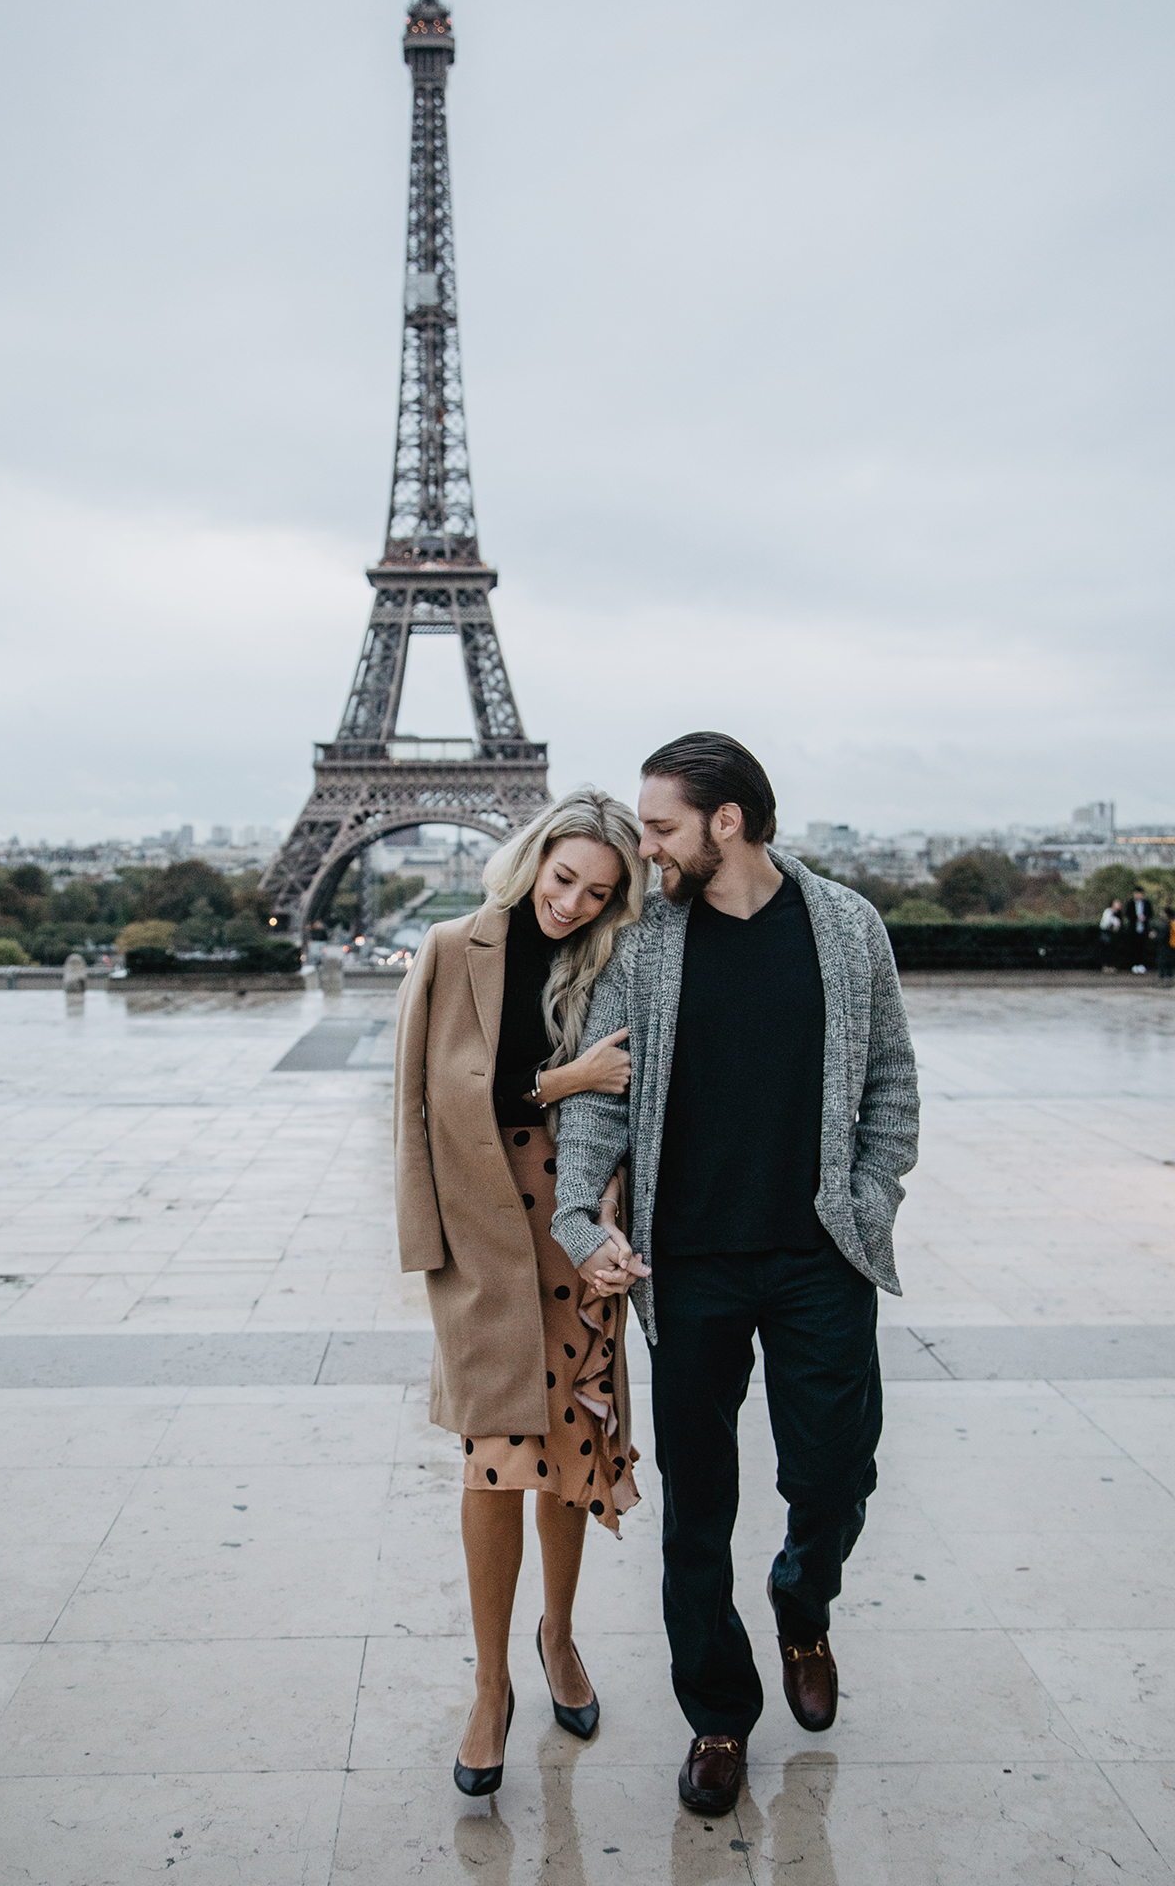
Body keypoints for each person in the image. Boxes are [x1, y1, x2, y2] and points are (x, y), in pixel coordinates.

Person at [552, 732, 920, 1818]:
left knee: (834, 1472)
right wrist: (583, 1225)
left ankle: (800, 1600)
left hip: (818, 1256)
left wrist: (867, 1197)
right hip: (690, 1264)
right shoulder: (646, 943)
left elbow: (890, 1079)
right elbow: (600, 1097)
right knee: (696, 1507)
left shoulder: (845, 925)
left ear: (727, 821)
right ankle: (717, 1714)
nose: (643, 845)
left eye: (659, 826)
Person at [394, 788, 648, 1798]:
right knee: (494, 1456)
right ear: (532, 857)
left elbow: (633, 1100)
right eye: (563, 878)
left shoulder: (611, 964)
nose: (574, 904)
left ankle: (560, 1636)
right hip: (487, 1222)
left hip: (575, 1220)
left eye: (598, 892)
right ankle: (490, 1684)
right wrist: (564, 1078)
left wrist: (618, 1225)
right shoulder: (453, 946)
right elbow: (427, 1099)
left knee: (567, 1454)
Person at [1124, 887, 1155, 973]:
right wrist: (1136, 918)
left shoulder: (1147, 903)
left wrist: (1144, 917)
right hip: (1134, 929)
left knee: (1143, 947)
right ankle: (1134, 965)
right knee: (1134, 947)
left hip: (1143, 928)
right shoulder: (1130, 903)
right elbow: (1128, 914)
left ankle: (1142, 964)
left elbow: (1151, 914)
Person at [1099, 899, 1123, 972]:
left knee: (1113, 950)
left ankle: (1112, 965)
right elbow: (1105, 923)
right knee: (1107, 949)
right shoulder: (1108, 911)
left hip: (1115, 934)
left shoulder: (1119, 913)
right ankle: (1106, 965)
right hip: (1107, 933)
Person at [1158, 907, 1175, 983]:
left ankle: (1164, 976)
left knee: (1164, 961)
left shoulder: (1167, 926)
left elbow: (1161, 937)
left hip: (1166, 946)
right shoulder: (1173, 924)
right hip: (1172, 945)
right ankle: (1169, 975)